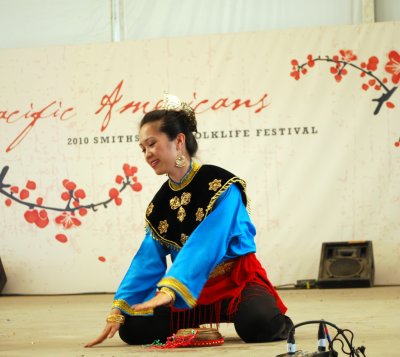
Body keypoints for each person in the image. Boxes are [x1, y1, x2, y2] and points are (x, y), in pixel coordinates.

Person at [85, 94, 292, 348]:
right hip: (188, 292)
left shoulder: (221, 185)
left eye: (152, 143)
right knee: (133, 328)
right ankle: (187, 317)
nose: (147, 153)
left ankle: (270, 315)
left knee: (259, 324)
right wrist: (120, 306)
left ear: (179, 140)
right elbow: (147, 260)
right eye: (143, 148)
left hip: (233, 283)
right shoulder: (159, 204)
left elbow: (208, 242)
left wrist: (169, 290)